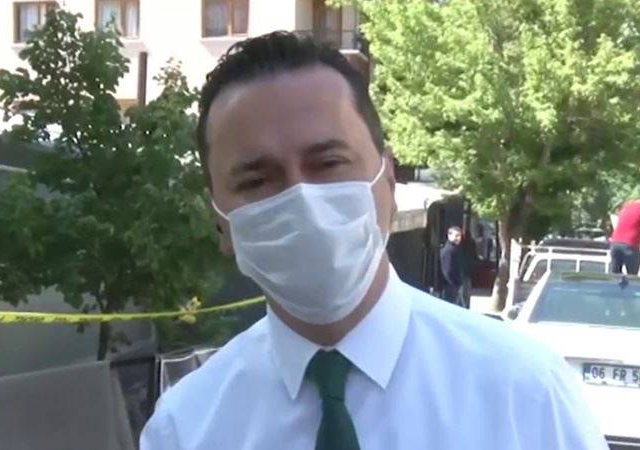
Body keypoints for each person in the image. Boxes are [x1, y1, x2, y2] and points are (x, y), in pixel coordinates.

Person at [140, 32, 607, 450]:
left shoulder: (524, 395)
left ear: (388, 179)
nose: (301, 199)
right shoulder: (186, 429)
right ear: (220, 221)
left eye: (328, 163)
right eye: (256, 180)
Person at [610, 195, 640, 275]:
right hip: (630, 245)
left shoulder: (626, 206)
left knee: (615, 276)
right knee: (632, 276)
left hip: (615, 244)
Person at [440, 226, 477, 308]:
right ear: (449, 236)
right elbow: (447, 270)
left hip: (455, 284)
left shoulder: (456, 249)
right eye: (456, 235)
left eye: (459, 236)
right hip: (451, 285)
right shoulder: (449, 250)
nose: (458, 238)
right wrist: (455, 283)